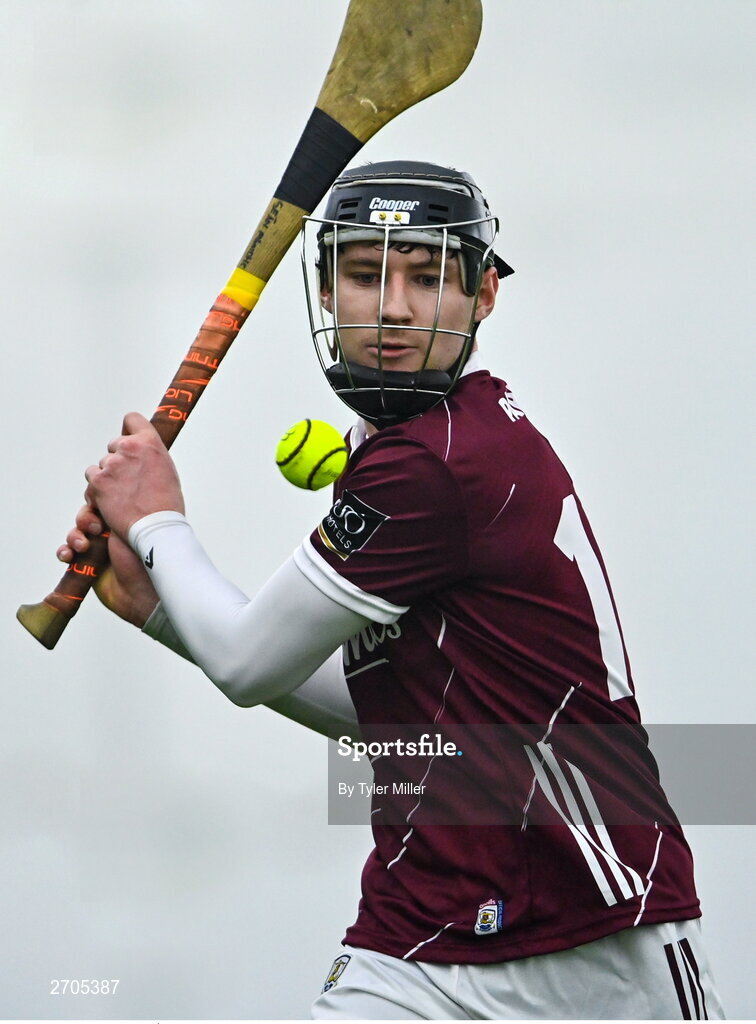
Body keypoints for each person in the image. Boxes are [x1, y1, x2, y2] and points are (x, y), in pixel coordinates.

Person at [59, 161, 724, 1019]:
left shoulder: (439, 465)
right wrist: (159, 607)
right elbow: (396, 718)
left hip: (595, 948)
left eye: (426, 276)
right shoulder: (402, 442)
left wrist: (156, 525)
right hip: (416, 937)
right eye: (367, 275)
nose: (394, 307)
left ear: (484, 295)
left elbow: (245, 664)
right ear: (327, 292)